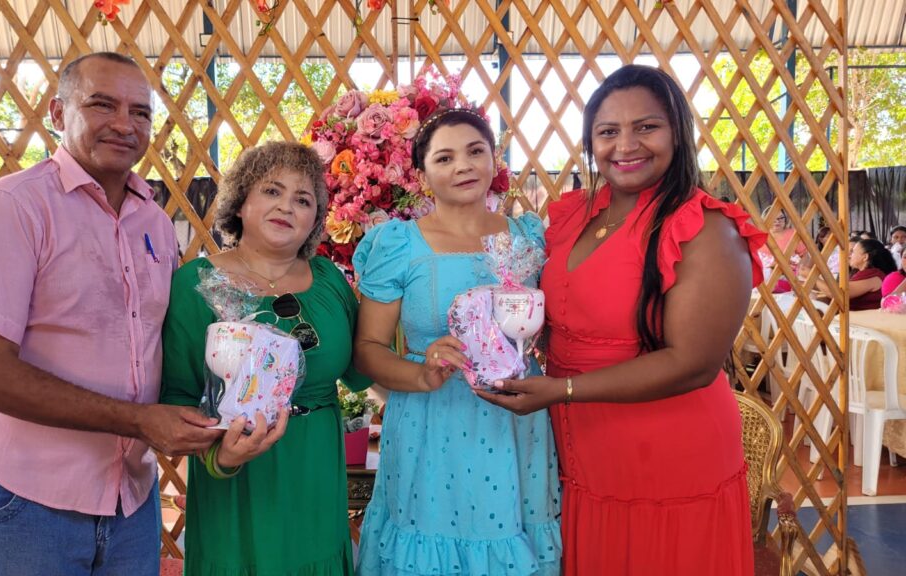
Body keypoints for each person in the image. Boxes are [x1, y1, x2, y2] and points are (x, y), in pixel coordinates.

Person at [478, 64, 765, 575]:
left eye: (646, 127)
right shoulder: (577, 216)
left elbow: (694, 363)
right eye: (608, 131)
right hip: (581, 449)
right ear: (590, 142)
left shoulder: (705, 228)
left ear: (677, 133)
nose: (626, 145)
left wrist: (562, 390)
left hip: (667, 455)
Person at [0, 52, 222, 575]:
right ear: (57, 112)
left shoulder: (155, 223)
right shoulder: (10, 207)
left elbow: (158, 347)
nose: (125, 124)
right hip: (26, 492)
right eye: (102, 105)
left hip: (128, 495)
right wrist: (140, 420)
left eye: (140, 112)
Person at [353, 108, 561, 576]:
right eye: (444, 158)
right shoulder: (399, 244)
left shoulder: (528, 237)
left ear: (494, 160)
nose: (463, 166)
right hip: (432, 421)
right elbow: (368, 348)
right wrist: (420, 374)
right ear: (422, 176)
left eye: (475, 151)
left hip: (517, 418)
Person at [160, 141, 371, 575]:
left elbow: (364, 367)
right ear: (240, 203)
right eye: (272, 191)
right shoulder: (195, 284)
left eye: (303, 199)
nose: (287, 207)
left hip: (314, 472)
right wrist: (222, 459)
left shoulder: (330, 281)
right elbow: (176, 400)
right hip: (235, 479)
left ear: (315, 219)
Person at [815, 238, 897, 310]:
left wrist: (814, 277)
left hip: (860, 321)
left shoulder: (874, 277)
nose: (849, 256)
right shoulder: (863, 273)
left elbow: (838, 293)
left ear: (865, 257)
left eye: (853, 252)